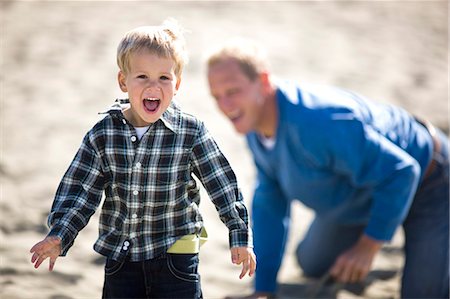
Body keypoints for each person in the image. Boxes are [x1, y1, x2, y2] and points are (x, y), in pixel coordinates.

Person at [206, 38, 449, 299]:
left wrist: (369, 246)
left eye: (232, 92)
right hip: (364, 194)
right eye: (217, 96)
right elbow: (269, 206)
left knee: (424, 293)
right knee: (313, 263)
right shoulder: (255, 126)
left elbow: (403, 171)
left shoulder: (318, 122)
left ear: (263, 82)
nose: (225, 106)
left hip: (429, 180)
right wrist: (264, 289)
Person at [29, 20, 256, 299]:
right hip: (121, 256)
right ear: (123, 81)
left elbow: (221, 184)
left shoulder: (190, 132)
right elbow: (80, 191)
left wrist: (239, 234)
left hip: (176, 255)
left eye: (164, 78)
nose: (154, 85)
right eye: (142, 77)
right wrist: (61, 234)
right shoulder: (104, 134)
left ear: (177, 84)